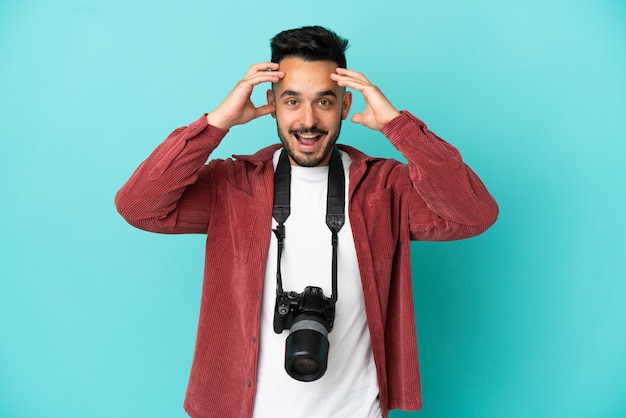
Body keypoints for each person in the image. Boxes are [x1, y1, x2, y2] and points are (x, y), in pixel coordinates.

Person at [115, 25, 498, 418]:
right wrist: (217, 123)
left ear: (346, 107)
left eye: (325, 102)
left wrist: (397, 127)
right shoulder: (231, 187)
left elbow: (475, 214)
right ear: (272, 103)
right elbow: (139, 206)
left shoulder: (384, 190)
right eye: (293, 101)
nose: (309, 120)